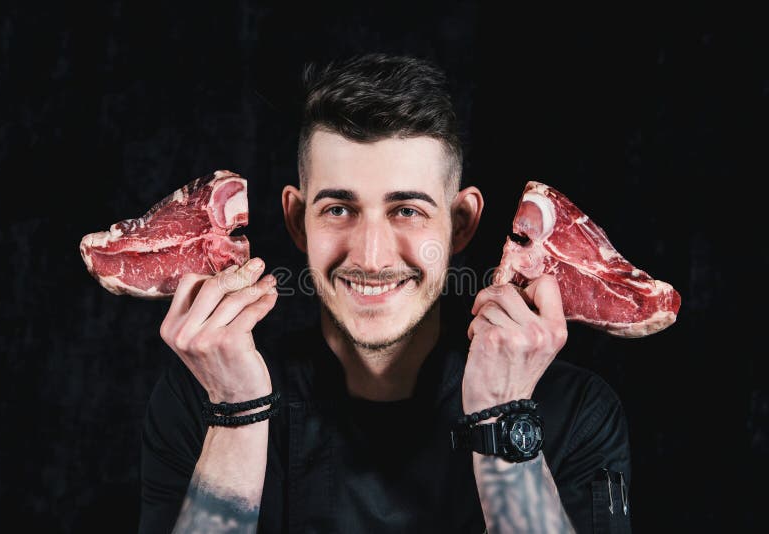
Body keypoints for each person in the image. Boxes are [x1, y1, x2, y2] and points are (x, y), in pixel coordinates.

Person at [138, 53, 632, 533]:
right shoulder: (199, 398)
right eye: (338, 210)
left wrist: (502, 413)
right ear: (296, 220)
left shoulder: (574, 408)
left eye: (408, 211)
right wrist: (235, 411)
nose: (372, 257)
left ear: (460, 224)